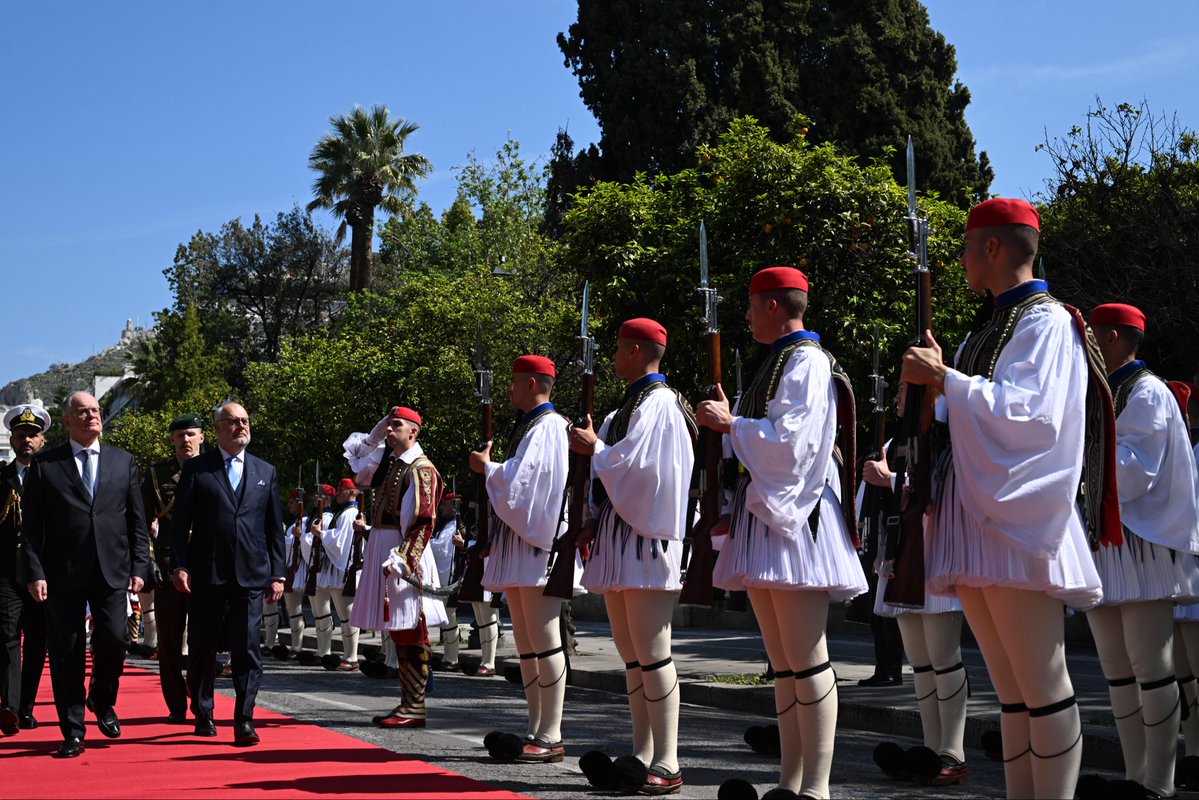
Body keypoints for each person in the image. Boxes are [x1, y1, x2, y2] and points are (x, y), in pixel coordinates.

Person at [902, 198, 1110, 799]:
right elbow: (960, 413)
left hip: (1017, 514)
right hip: (976, 513)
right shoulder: (987, 329)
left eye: (968, 248)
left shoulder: (1045, 322)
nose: (963, 262)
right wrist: (926, 395)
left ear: (993, 247)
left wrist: (945, 380)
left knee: (1044, 683)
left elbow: (1033, 417)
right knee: (1012, 688)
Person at [698, 267, 867, 800]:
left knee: (807, 656)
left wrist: (732, 425)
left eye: (751, 305)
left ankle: (816, 788)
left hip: (797, 521)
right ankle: (790, 782)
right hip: (767, 519)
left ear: (774, 306)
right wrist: (733, 425)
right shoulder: (776, 364)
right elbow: (759, 442)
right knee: (786, 664)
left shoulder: (806, 362)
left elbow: (791, 445)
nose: (746, 316)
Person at [569, 318, 696, 796]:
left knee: (653, 650)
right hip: (621, 539)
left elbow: (643, 471)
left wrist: (595, 449)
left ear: (640, 351)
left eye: (621, 349)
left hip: (647, 539)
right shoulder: (626, 406)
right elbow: (612, 471)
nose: (614, 358)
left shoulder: (660, 403)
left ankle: (668, 759)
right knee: (632, 655)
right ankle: (642, 751)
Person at [1077, 303, 1199, 799]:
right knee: (1118, 672)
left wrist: (1073, 464)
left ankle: (1159, 782)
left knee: (1151, 668)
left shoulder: (1145, 392)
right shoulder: (1103, 392)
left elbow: (1133, 470)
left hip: (1142, 546)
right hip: (1106, 545)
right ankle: (1133, 776)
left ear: (1110, 339)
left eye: (1091, 339)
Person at [21, 391, 150, 758]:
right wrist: (35, 572)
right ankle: (73, 731)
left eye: (95, 410)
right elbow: (31, 529)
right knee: (67, 653)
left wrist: (140, 566)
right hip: (61, 575)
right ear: (66, 421)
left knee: (114, 638)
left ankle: (102, 697)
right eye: (83, 411)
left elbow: (136, 522)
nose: (92, 416)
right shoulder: (46, 466)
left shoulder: (123, 462)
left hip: (112, 571)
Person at [470, 355, 571, 763]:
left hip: (538, 543)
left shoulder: (548, 427)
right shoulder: (530, 426)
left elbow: (526, 484)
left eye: (514, 382)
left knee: (545, 640)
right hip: (520, 542)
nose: (509, 390)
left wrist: (487, 467)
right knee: (528, 644)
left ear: (532, 383)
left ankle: (552, 731)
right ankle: (536, 724)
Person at [170, 401, 285, 747]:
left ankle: (244, 719)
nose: (241, 427)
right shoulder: (198, 470)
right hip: (208, 573)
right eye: (233, 422)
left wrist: (277, 573)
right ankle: (203, 710)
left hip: (251, 575)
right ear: (217, 429)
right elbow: (180, 525)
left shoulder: (266, 471)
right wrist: (180, 564)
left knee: (248, 647)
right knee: (204, 647)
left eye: (245, 421)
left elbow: (273, 528)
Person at [861, 438, 969, 786]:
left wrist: (890, 479)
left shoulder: (950, 434)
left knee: (944, 657)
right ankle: (930, 748)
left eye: (906, 388)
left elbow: (945, 489)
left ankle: (953, 752)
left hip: (936, 548)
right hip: (900, 551)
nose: (899, 396)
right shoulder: (897, 441)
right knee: (920, 661)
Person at [351, 406, 446, 728]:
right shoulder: (392, 464)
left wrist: (404, 559)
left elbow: (423, 523)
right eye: (387, 426)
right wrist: (378, 432)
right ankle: (409, 703)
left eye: (395, 426)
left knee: (411, 630)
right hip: (387, 550)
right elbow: (358, 469)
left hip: (404, 555)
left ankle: (415, 705)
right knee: (400, 632)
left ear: (414, 431)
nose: (389, 431)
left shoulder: (420, 468)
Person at [140, 412, 205, 724]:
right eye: (180, 435)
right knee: (169, 640)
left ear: (202, 437)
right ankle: (176, 704)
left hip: (207, 565)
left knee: (203, 639)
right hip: (168, 565)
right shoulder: (157, 474)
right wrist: (148, 560)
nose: (185, 440)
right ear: (172, 440)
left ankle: (200, 698)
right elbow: (141, 521)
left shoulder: (215, 468)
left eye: (191, 434)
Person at [0, 405, 50, 735]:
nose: (27, 440)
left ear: (42, 440)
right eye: (21, 435)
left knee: (36, 642)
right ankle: (10, 707)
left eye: (32, 435)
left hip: (44, 574)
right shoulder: (0, 478)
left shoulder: (54, 476)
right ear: (12, 439)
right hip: (5, 573)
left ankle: (27, 706)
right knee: (6, 638)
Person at [312, 478, 361, 670]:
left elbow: (340, 541)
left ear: (351, 492)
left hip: (343, 569)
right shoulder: (344, 513)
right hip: (337, 569)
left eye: (342, 489)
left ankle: (352, 657)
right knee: (344, 615)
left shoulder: (349, 514)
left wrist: (321, 534)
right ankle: (349, 655)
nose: (338, 492)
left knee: (348, 615)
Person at [274, 489, 311, 661]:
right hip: (291, 568)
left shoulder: (305, 521)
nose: (289, 505)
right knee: (293, 611)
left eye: (291, 502)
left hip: (299, 568)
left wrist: (284, 538)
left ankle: (298, 646)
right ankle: (296, 645)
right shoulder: (294, 522)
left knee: (298, 610)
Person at [429, 493, 463, 671]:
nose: (441, 507)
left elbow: (440, 549)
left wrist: (427, 541)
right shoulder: (448, 525)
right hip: (444, 576)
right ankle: (449, 656)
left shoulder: (454, 526)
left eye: (444, 504)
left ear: (453, 506)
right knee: (448, 618)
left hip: (449, 577)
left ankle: (452, 658)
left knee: (450, 617)